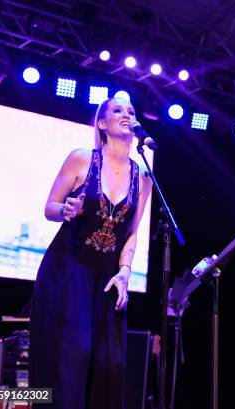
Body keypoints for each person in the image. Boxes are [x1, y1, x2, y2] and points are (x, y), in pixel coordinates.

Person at [29, 97, 152, 408]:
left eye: (131, 111)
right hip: (69, 270)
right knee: (71, 356)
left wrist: (125, 272)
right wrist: (65, 210)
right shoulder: (82, 158)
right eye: (118, 110)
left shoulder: (143, 176)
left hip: (108, 278)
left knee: (109, 366)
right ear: (102, 123)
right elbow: (50, 207)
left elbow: (132, 232)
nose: (126, 115)